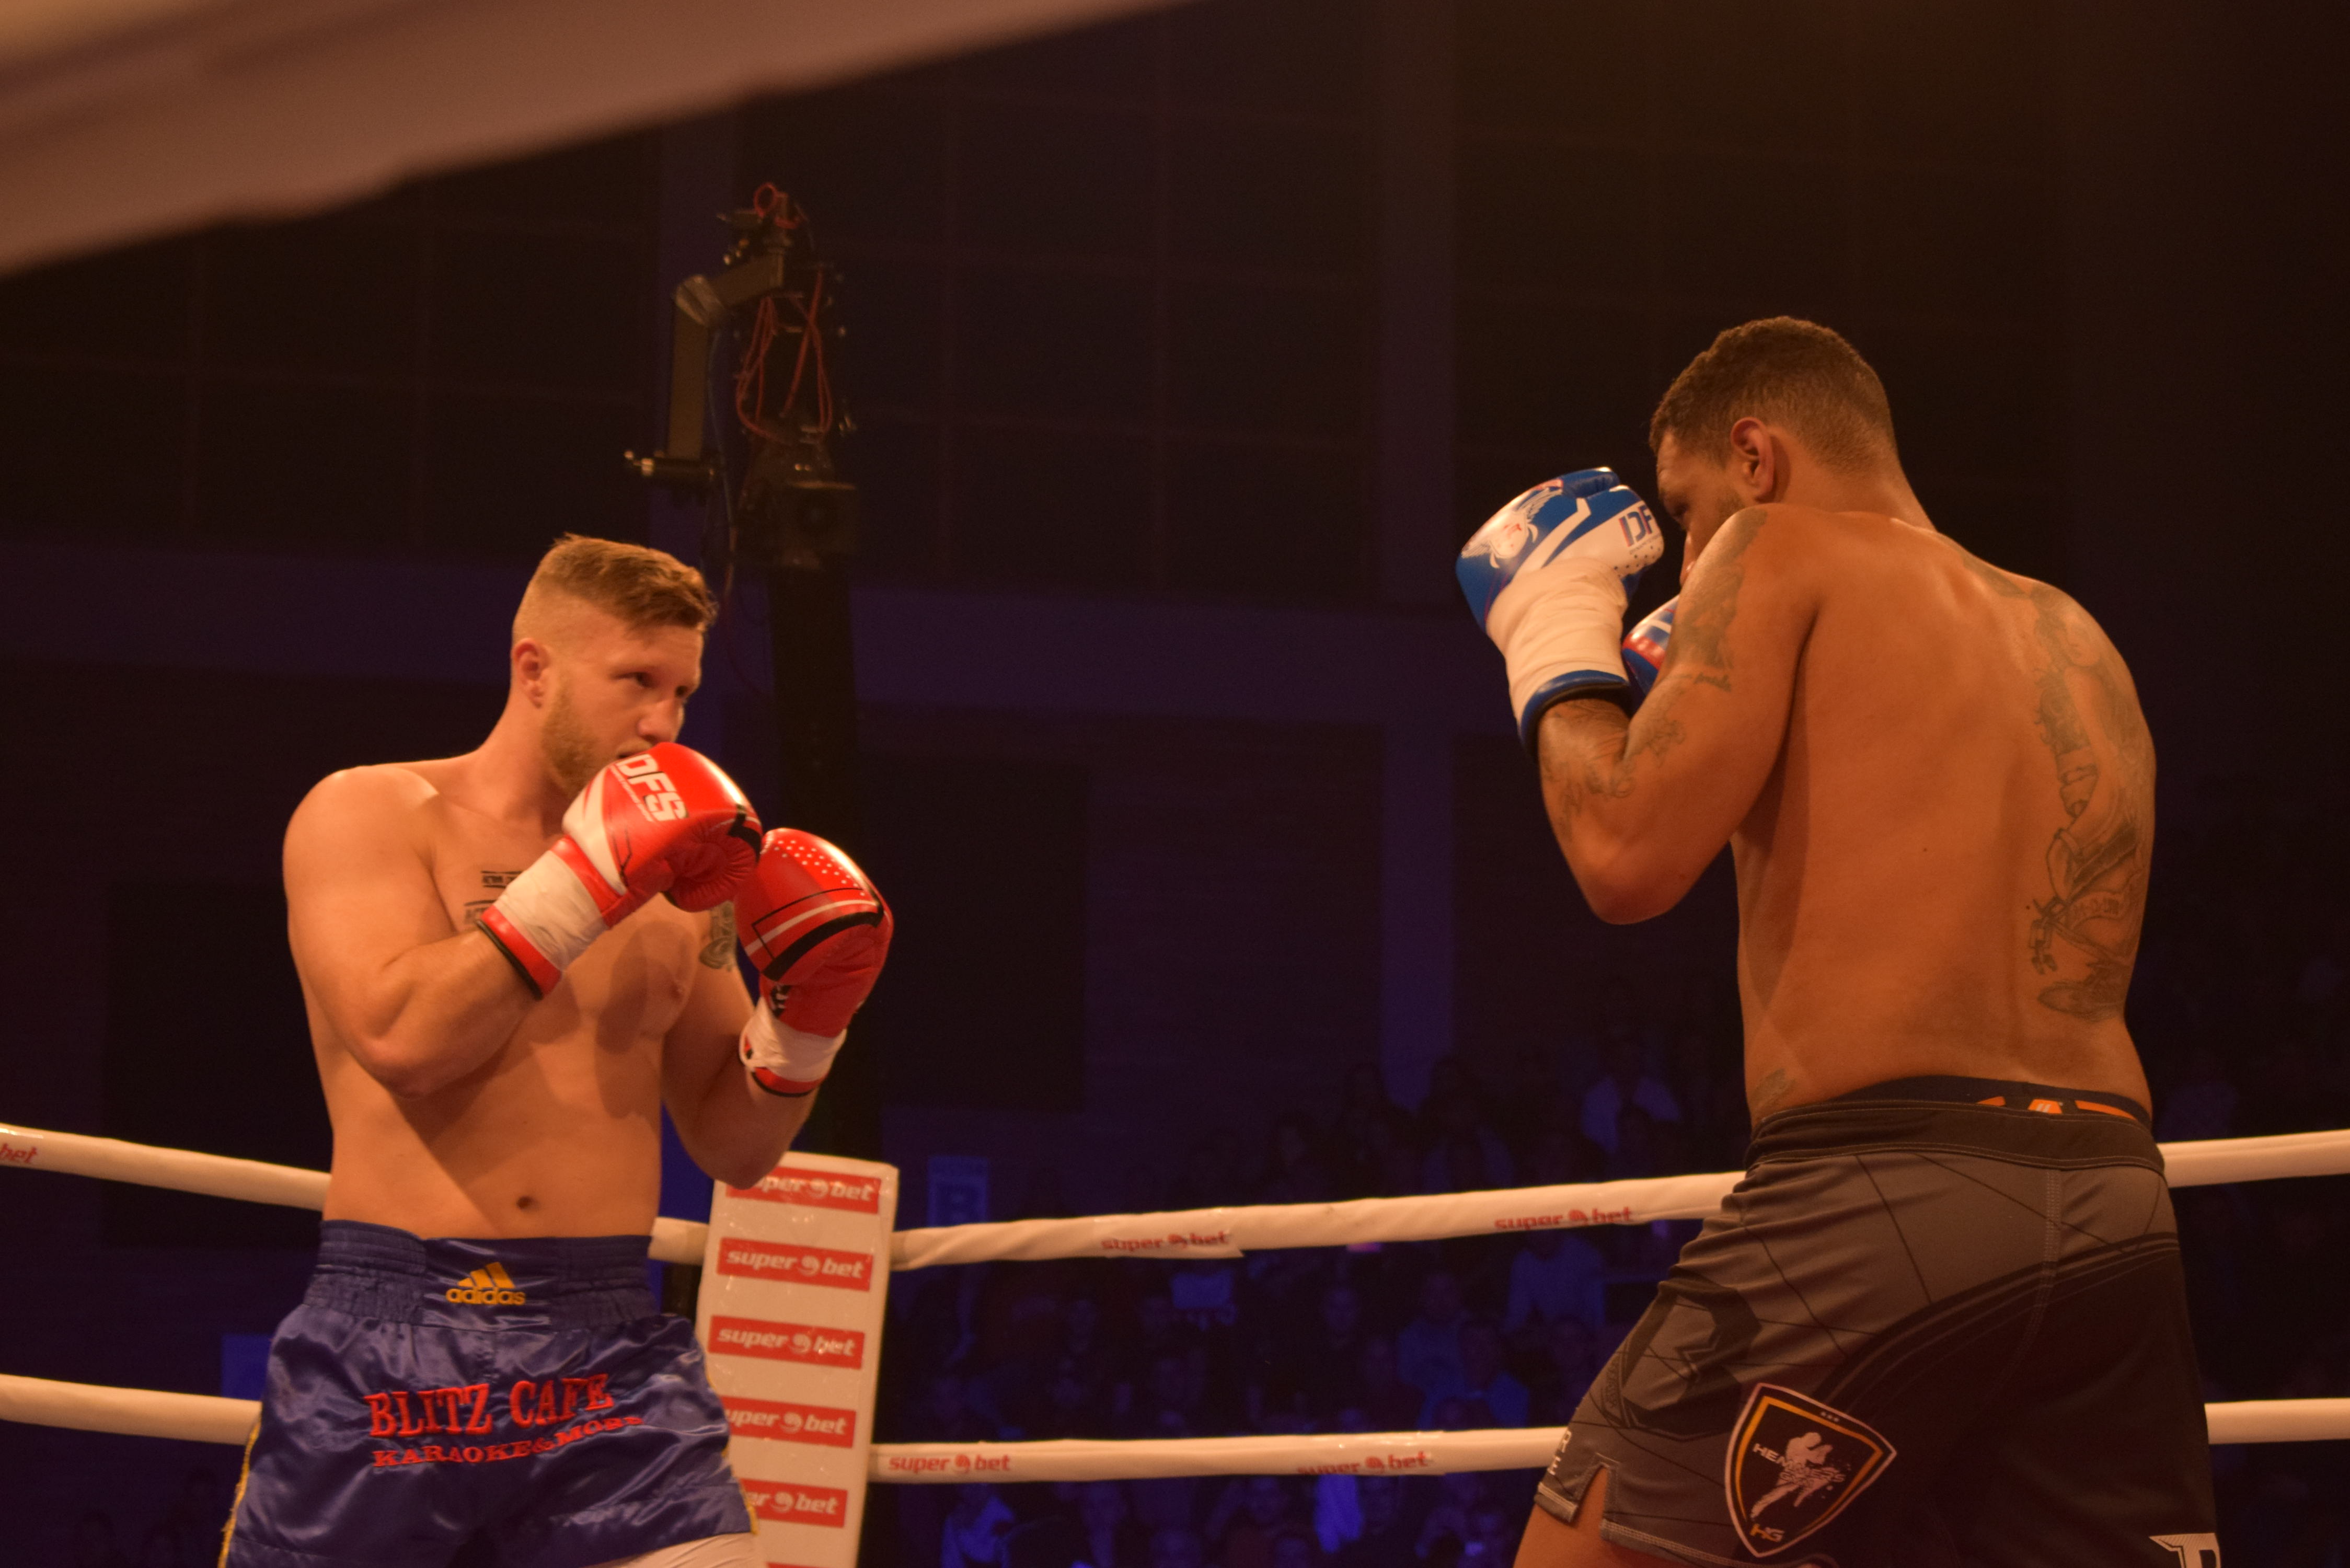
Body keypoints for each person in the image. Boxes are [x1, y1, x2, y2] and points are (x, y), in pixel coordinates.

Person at [1459, 320, 2214, 1562]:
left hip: (1888, 1192)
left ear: (1755, 457)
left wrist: (1557, 642)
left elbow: (1623, 857)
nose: (1689, 555)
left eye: (1687, 509)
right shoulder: (2075, 636)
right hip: (2114, 1202)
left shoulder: (1777, 548)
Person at [223, 536, 893, 1568]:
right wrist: (584, 879)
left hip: (609, 1347)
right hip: (396, 1331)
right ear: (534, 670)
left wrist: (807, 1023)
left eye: (681, 691)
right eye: (636, 681)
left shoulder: (686, 889)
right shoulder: (371, 813)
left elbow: (734, 1147)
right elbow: (403, 1039)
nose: (663, 722)